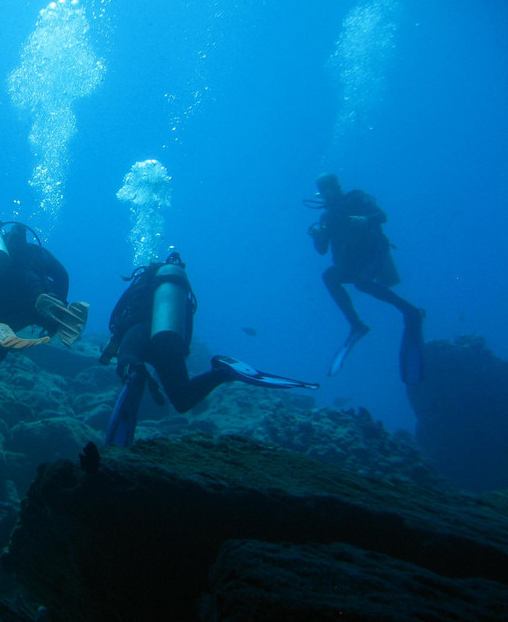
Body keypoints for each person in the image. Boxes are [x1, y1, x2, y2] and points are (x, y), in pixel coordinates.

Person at [100, 251, 317, 447]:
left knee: (129, 364)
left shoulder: (138, 291)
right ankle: (223, 372)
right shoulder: (172, 294)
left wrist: (124, 359)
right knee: (183, 400)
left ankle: (134, 373)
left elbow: (118, 324)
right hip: (168, 340)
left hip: (138, 332)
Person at [306, 173, 424, 381]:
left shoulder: (356, 199)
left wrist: (365, 219)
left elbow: (382, 216)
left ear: (338, 187)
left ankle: (411, 312)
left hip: (372, 257)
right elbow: (322, 250)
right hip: (349, 264)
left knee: (362, 284)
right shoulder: (326, 217)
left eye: (330, 188)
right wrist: (317, 235)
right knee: (330, 276)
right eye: (323, 190)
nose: (327, 193)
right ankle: (357, 325)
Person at [0, 220, 89, 364]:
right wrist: (61, 300)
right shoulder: (34, 250)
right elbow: (62, 275)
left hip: (2, 308)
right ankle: (53, 312)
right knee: (42, 312)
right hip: (33, 300)